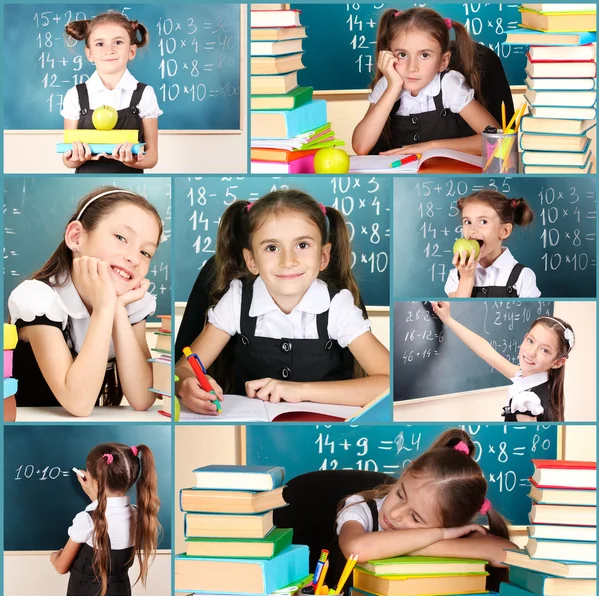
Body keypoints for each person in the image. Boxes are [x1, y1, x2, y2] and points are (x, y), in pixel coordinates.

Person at [175, 189, 390, 414]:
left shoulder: (337, 307)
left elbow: (389, 383)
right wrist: (185, 384)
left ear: (324, 256)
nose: (288, 261)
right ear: (251, 260)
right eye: (272, 248)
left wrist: (300, 391)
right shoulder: (237, 300)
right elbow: (183, 368)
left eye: (303, 245)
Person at [8, 187, 162, 416]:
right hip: (23, 428)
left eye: (145, 252)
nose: (133, 258)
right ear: (76, 237)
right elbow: (78, 403)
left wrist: (117, 308)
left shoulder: (131, 303)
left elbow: (142, 398)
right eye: (121, 238)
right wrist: (104, 308)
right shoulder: (37, 298)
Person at [336, 428, 518, 592]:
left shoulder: (453, 527)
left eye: (415, 518)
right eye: (400, 494)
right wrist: (438, 535)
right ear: (407, 471)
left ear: (450, 524)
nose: (395, 514)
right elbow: (356, 549)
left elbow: (508, 553)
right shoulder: (360, 509)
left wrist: (423, 544)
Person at [352, 8, 500, 157]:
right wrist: (393, 87)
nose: (412, 67)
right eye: (402, 54)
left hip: (452, 175)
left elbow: (496, 141)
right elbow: (361, 146)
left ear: (443, 61)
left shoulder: (449, 85)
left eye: (424, 55)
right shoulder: (388, 84)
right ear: (389, 55)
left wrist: (431, 147)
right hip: (407, 176)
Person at [50, 443, 160, 596]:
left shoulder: (86, 520)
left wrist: (54, 556)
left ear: (95, 481)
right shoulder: (138, 514)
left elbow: (61, 567)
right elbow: (108, 513)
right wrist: (94, 495)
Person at [431, 303, 574, 421]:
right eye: (530, 341)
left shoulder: (528, 400)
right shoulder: (531, 379)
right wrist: (448, 318)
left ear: (558, 362)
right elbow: (486, 351)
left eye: (544, 350)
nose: (531, 352)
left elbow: (526, 446)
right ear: (525, 337)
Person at [61, 13, 161, 173]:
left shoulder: (144, 94)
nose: (109, 50)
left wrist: (133, 162)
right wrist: (76, 159)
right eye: (100, 44)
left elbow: (152, 156)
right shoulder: (75, 95)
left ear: (132, 51)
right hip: (87, 181)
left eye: (118, 42)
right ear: (89, 54)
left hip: (130, 182)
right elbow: (68, 159)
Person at [446, 190, 540, 298]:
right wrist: (466, 278)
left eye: (483, 222)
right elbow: (457, 313)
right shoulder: (455, 276)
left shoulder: (522, 276)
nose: (472, 230)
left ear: (504, 231)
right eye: (467, 222)